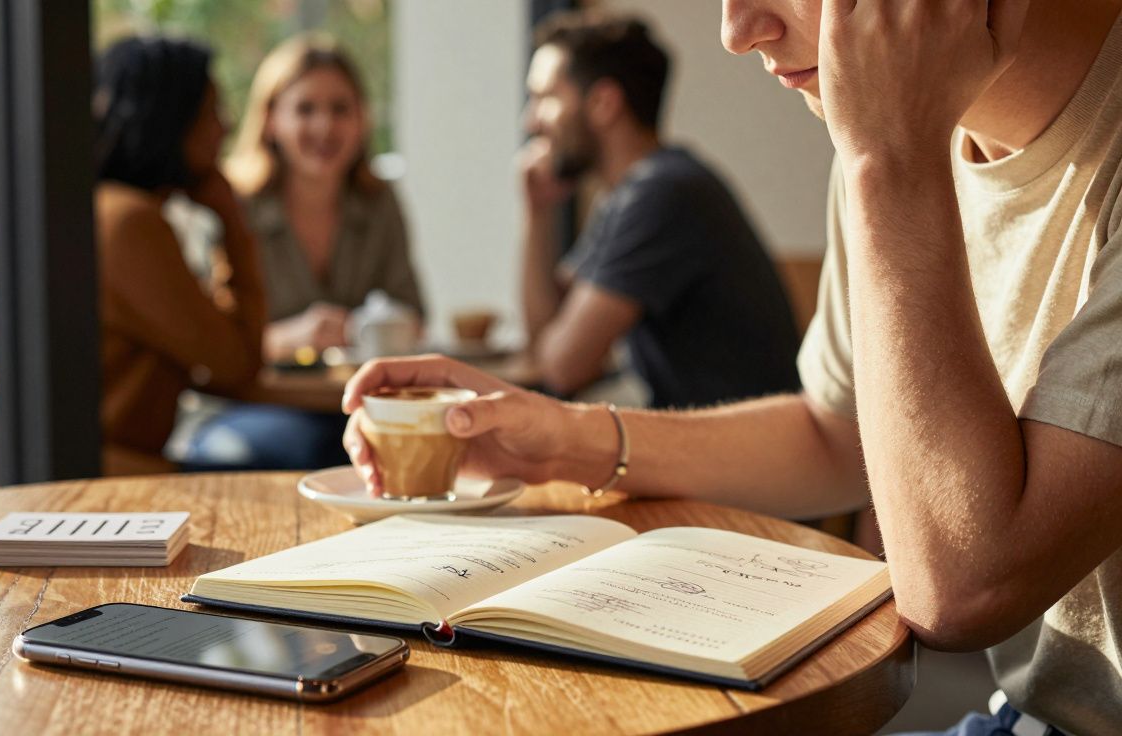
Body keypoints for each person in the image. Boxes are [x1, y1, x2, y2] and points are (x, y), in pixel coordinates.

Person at [343, 2, 1122, 734]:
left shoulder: (888, 139)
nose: (737, 29)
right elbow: (835, 435)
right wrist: (560, 442)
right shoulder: (898, 130)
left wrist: (885, 161)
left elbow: (964, 590)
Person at [520, 13, 800, 407]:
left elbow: (561, 368)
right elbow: (547, 335)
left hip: (744, 444)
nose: (530, 121)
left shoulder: (660, 194)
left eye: (545, 98)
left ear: (603, 103)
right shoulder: (630, 193)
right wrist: (538, 212)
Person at [181, 34, 424, 470]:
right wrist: (289, 338)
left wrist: (364, 329)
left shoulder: (379, 201)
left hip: (353, 406)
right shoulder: (232, 204)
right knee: (310, 451)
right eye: (305, 109)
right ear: (271, 119)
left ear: (362, 119)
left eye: (340, 109)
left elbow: (412, 313)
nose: (325, 127)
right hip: (247, 410)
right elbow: (203, 344)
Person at [93, 37, 267, 476]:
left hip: (106, 467)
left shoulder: (103, 208)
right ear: (169, 119)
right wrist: (233, 224)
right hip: (111, 477)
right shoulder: (130, 224)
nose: (225, 127)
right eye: (211, 110)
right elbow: (237, 364)